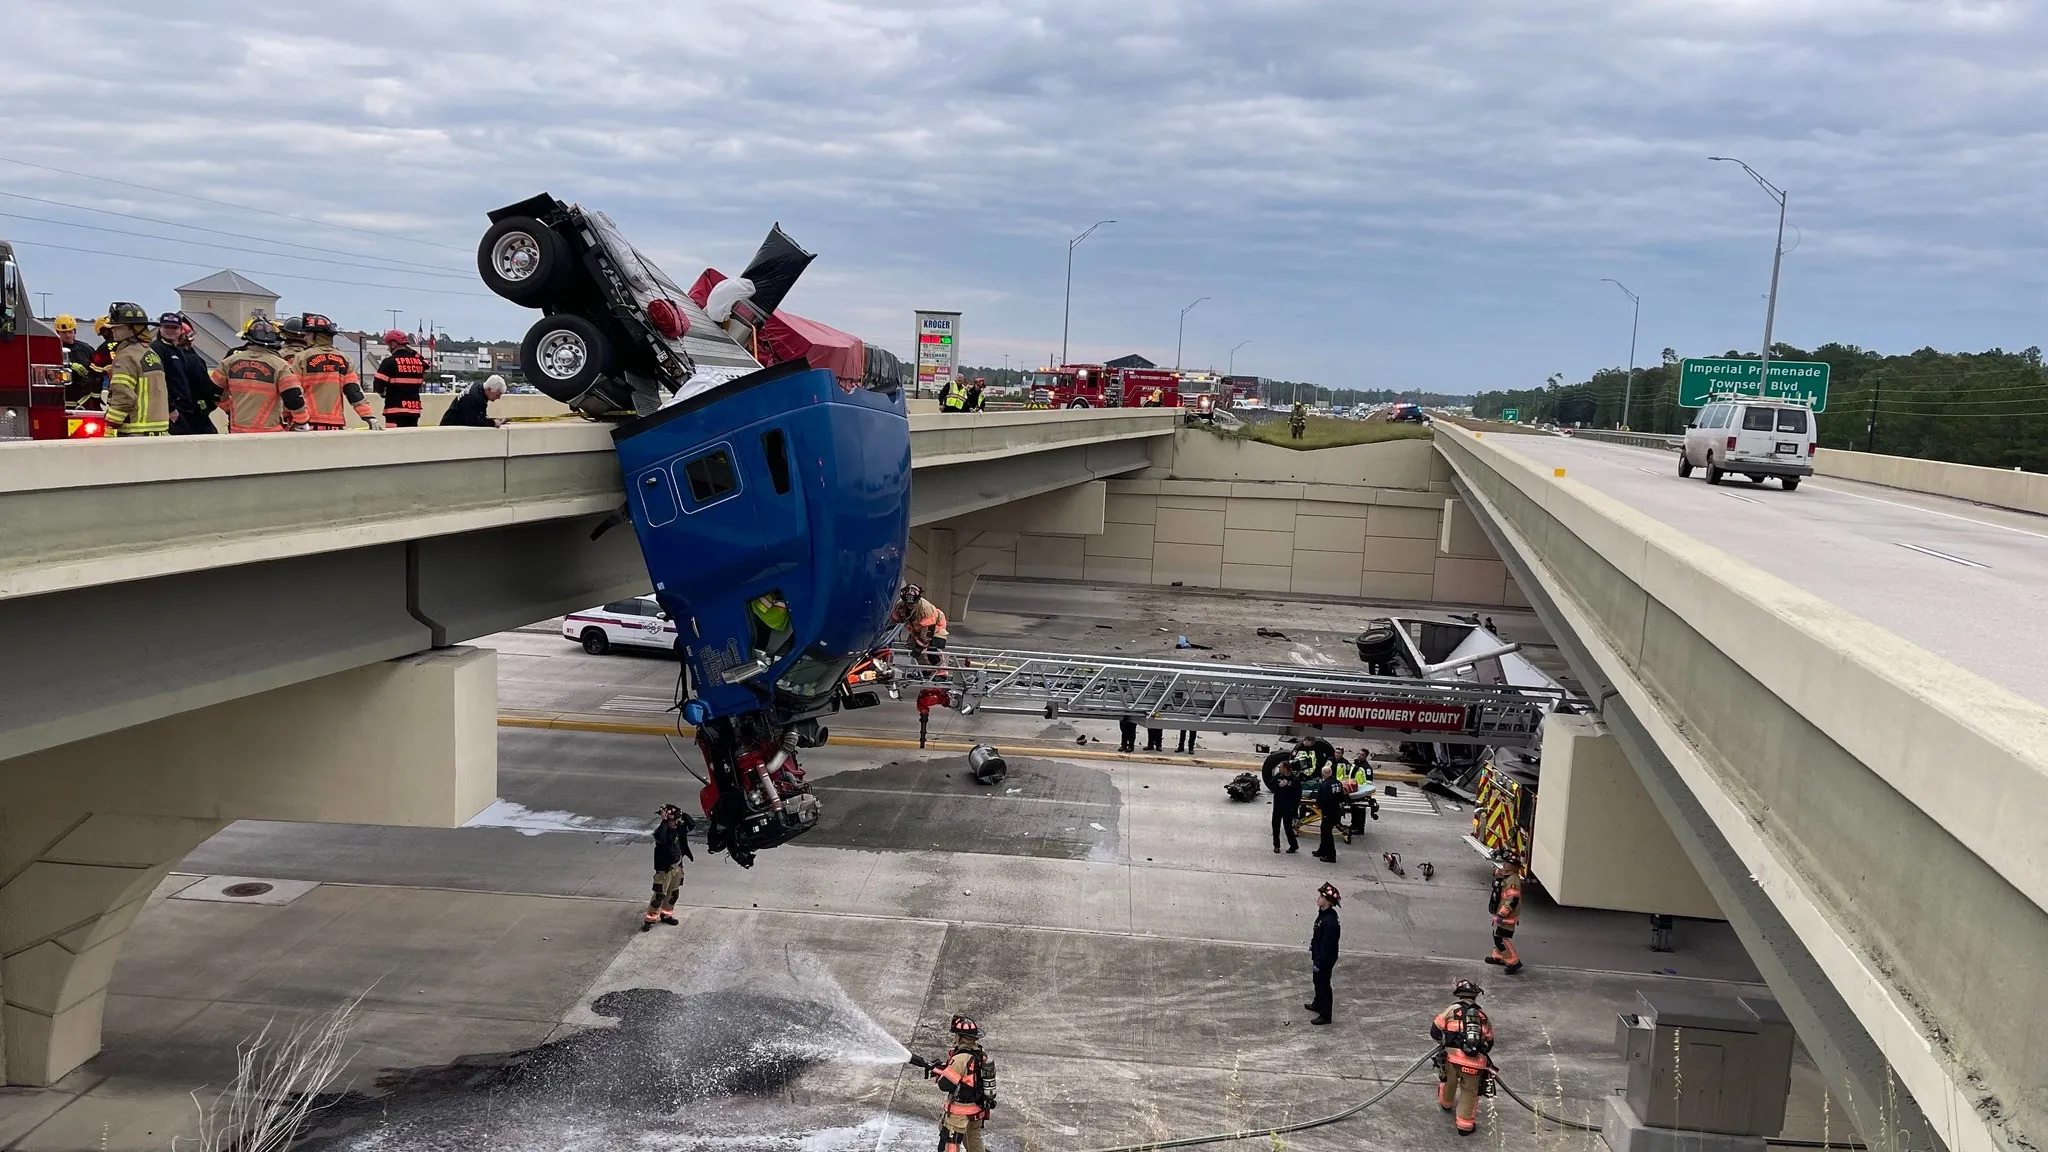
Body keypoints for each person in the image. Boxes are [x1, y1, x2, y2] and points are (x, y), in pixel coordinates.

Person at [912, 1015, 996, 1152]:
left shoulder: (960, 1058)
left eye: (956, 1035)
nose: (954, 1038)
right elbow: (968, 1078)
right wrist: (942, 1068)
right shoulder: (980, 1054)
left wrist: (942, 1075)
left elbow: (945, 1085)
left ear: (961, 1038)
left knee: (950, 1142)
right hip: (976, 1110)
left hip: (959, 1114)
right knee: (974, 1143)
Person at [212, 317, 309, 433]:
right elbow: (293, 396)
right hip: (270, 433)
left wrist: (230, 409)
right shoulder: (280, 365)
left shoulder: (229, 362)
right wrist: (302, 421)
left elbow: (213, 392)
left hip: (237, 431)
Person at [1430, 980, 1495, 1135]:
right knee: (1470, 1092)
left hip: (1452, 1060)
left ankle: (1446, 1103)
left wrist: (1444, 1043)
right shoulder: (1483, 1016)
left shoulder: (1452, 1010)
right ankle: (1465, 1126)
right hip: (1475, 1064)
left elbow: (1435, 1030)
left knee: (1448, 1082)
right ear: (1475, 996)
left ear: (1458, 995)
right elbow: (1490, 1042)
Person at [294, 314, 379, 430]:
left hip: (308, 423)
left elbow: (293, 392)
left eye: (308, 334)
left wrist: (297, 420)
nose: (305, 338)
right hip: (336, 424)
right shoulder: (344, 359)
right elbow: (353, 391)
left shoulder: (301, 358)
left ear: (317, 336)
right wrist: (369, 416)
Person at [101, 302, 170, 437]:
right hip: (159, 431)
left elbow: (124, 396)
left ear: (133, 329)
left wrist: (110, 424)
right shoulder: (150, 353)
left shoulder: (126, 356)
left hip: (135, 431)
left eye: (118, 327)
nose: (113, 330)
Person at [150, 313, 214, 435]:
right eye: (167, 327)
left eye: (174, 328)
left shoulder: (177, 351)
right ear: (160, 328)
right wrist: (170, 408)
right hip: (172, 411)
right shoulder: (157, 349)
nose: (170, 330)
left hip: (186, 410)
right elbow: (158, 382)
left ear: (180, 330)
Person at [642, 803, 695, 931]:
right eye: (673, 821)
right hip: (664, 871)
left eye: (676, 820)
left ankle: (666, 915)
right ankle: (649, 919)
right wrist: (664, 821)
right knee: (659, 895)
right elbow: (661, 836)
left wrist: (681, 813)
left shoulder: (679, 830)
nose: (676, 823)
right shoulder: (661, 833)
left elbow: (691, 824)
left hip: (677, 869)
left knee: (673, 894)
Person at [372, 329, 427, 427]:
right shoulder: (419, 362)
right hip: (414, 410)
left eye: (389, 345)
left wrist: (384, 394)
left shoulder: (389, 362)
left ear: (393, 343)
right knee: (410, 439)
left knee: (393, 441)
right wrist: (413, 352)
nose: (388, 349)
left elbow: (378, 386)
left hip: (394, 410)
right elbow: (426, 363)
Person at [890, 584, 950, 668]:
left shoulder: (926, 608)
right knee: (914, 648)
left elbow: (928, 633)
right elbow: (894, 620)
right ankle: (926, 670)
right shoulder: (900, 606)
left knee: (932, 650)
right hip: (917, 628)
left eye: (912, 603)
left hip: (935, 626)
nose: (910, 606)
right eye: (907, 603)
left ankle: (941, 672)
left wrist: (919, 647)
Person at [1305, 882, 1340, 1025]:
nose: (1318, 899)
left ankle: (1326, 1014)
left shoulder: (1330, 921)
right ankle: (1318, 1003)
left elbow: (1328, 945)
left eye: (1321, 897)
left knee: (1324, 984)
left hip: (1325, 959)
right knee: (1317, 981)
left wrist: (1319, 962)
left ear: (1328, 901)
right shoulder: (1323, 915)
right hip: (1319, 955)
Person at [1486, 850, 1525, 974]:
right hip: (1501, 915)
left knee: (1501, 939)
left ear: (1514, 867)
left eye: (1507, 863)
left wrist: (1502, 913)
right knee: (1497, 935)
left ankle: (1514, 962)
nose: (1504, 864)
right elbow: (1498, 872)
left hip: (1506, 916)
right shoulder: (1507, 875)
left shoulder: (1513, 880)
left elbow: (1513, 899)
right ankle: (1498, 956)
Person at [54, 315, 98, 405]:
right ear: (57, 333)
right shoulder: (52, 349)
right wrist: (69, 365)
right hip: (61, 398)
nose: (68, 335)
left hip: (85, 398)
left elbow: (97, 369)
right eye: (64, 333)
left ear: (75, 331)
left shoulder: (86, 349)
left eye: (70, 332)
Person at [440, 373, 505, 427]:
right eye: (497, 395)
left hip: (451, 423)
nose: (498, 398)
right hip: (451, 429)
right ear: (489, 389)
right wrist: (493, 423)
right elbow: (473, 421)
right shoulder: (474, 398)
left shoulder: (478, 388)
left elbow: (478, 415)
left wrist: (494, 420)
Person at [1311, 763, 1344, 863]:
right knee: (1324, 832)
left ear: (1323, 774)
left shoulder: (1325, 785)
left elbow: (1322, 800)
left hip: (1328, 813)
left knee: (1327, 835)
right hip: (1336, 811)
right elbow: (1341, 797)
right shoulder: (1338, 783)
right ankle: (1321, 851)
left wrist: (1320, 808)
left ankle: (1330, 856)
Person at [1270, 757, 1301, 854]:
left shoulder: (1294, 780)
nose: (1279, 768)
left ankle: (1293, 845)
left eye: (1281, 767)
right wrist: (1278, 786)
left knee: (1288, 827)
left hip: (1288, 807)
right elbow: (1271, 785)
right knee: (1275, 826)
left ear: (1286, 768)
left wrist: (1287, 786)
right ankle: (1276, 846)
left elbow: (1297, 795)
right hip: (1278, 805)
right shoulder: (1278, 776)